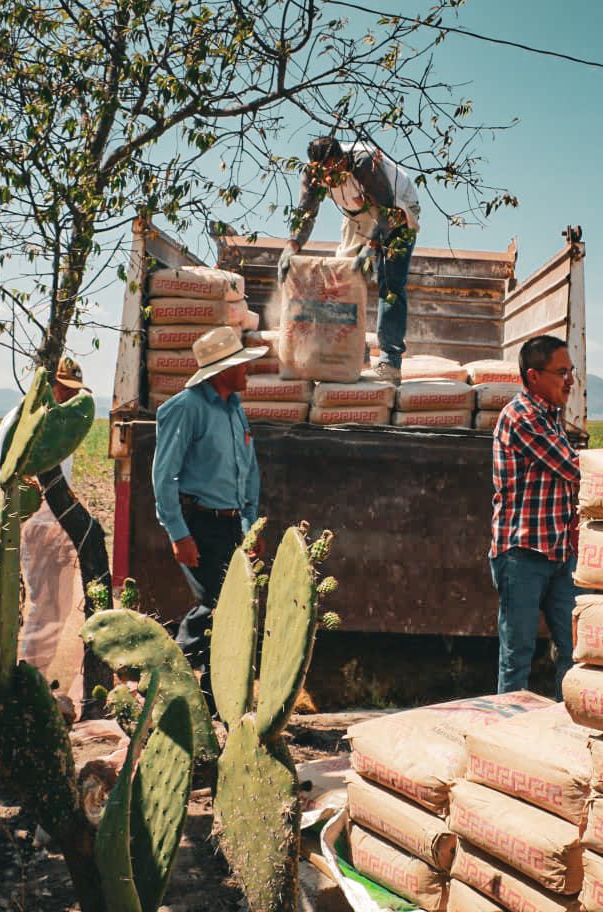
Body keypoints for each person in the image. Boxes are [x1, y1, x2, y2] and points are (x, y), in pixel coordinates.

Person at [151, 326, 268, 670]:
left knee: (230, 608)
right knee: (218, 606)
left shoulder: (235, 409)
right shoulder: (185, 408)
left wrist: (250, 526)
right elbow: (164, 474)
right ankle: (176, 683)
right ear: (224, 370)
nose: (248, 369)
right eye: (241, 364)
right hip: (199, 523)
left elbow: (249, 472)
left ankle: (209, 699)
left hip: (232, 525)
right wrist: (178, 533)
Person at [277, 136, 421, 385]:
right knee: (343, 278)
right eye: (325, 175)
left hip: (397, 209)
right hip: (358, 214)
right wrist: (292, 245)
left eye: (335, 171)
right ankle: (351, 349)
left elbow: (386, 212)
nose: (331, 179)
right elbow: (307, 211)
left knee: (390, 284)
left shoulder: (363, 162)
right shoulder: (314, 173)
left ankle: (390, 360)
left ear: (342, 159)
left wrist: (372, 247)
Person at [0, 356, 90, 712]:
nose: (68, 397)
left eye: (73, 392)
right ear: (49, 385)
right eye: (64, 389)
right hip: (37, 523)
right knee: (47, 607)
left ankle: (34, 679)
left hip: (50, 521)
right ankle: (30, 683)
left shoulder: (53, 422)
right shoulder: (25, 423)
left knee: (56, 606)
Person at [489, 335, 581, 698]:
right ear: (533, 376)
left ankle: (566, 730)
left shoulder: (551, 416)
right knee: (517, 658)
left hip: (558, 553)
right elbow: (571, 468)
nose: (570, 380)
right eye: (562, 372)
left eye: (570, 371)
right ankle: (504, 736)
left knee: (575, 651)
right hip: (522, 555)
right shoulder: (524, 417)